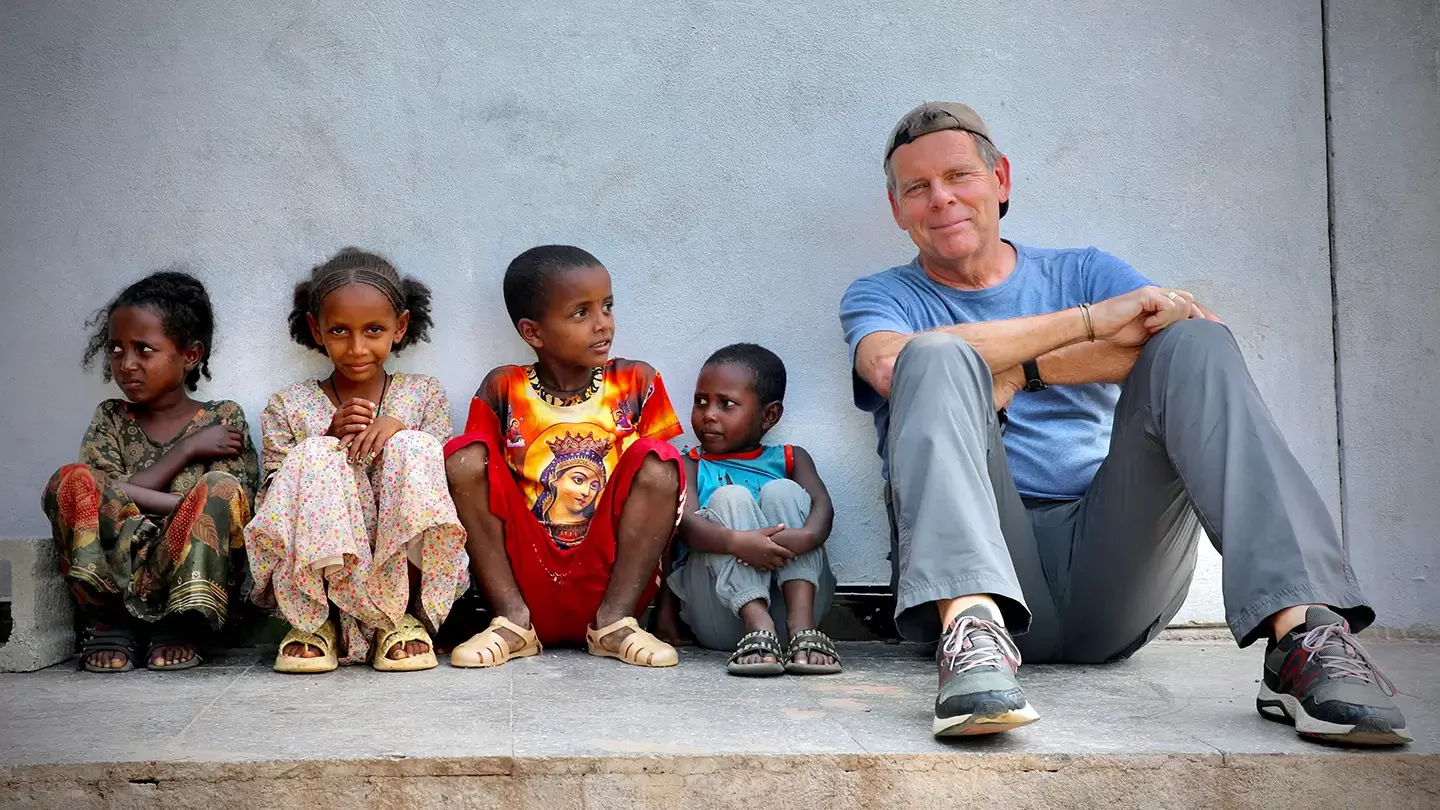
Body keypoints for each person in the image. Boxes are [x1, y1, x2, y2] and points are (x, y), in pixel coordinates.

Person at [839, 101, 1410, 744]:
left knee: (1193, 350)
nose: (941, 198)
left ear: (999, 180)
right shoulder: (881, 295)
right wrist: (1089, 324)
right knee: (933, 356)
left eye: (958, 176)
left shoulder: (1083, 269)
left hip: (1112, 559)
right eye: (918, 187)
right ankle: (971, 637)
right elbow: (890, 365)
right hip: (979, 568)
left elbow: (1189, 336)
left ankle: (1303, 636)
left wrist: (1021, 374)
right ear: (898, 211)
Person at [444, 245, 685, 668]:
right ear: (533, 333)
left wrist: (666, 609)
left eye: (607, 307)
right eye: (581, 313)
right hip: (525, 577)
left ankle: (616, 626)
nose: (602, 324)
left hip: (612, 579)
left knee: (659, 459)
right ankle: (511, 624)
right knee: (464, 455)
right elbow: (477, 481)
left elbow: (671, 495)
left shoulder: (637, 382)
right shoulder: (504, 387)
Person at [245, 248, 467, 674]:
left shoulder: (423, 396)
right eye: (340, 331)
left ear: (400, 327)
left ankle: (401, 619)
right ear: (316, 329)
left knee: (417, 448)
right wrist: (327, 442)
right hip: (319, 580)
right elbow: (272, 501)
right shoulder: (288, 406)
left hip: (404, 573)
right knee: (313, 454)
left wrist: (400, 429)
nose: (357, 347)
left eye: (374, 329)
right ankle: (317, 623)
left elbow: (442, 497)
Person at [43, 270, 258, 672]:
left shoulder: (222, 418)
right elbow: (94, 494)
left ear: (190, 355)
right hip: (117, 570)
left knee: (219, 488)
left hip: (186, 572)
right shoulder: (111, 418)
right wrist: (188, 451)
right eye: (116, 349)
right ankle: (109, 624)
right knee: (72, 479)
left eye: (144, 349)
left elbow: (230, 504)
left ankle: (181, 626)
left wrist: (127, 494)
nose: (127, 364)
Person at [665, 343, 840, 677]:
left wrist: (803, 537)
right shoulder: (690, 463)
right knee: (729, 497)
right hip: (720, 617)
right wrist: (738, 543)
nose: (708, 414)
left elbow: (823, 510)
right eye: (700, 401)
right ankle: (755, 619)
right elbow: (684, 526)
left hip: (794, 616)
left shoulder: (791, 459)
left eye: (726, 404)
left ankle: (802, 626)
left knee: (783, 491)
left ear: (769, 415)